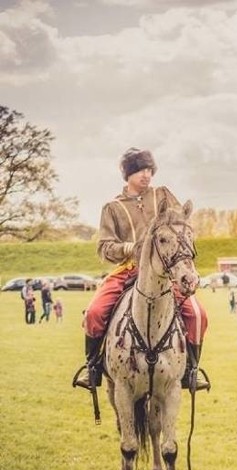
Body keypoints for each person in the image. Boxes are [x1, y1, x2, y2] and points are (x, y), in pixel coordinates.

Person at [73, 148, 208, 392]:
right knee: (94, 313)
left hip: (163, 273)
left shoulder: (163, 195)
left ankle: (192, 370)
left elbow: (179, 224)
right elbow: (104, 247)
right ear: (128, 174)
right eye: (139, 170)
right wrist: (129, 248)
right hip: (127, 270)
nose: (146, 175)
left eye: (149, 169)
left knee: (198, 316)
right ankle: (92, 368)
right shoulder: (112, 207)